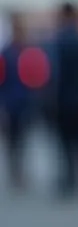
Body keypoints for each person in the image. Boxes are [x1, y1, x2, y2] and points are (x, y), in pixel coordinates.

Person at [50, 1, 78, 195]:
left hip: (63, 100)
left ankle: (70, 179)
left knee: (66, 142)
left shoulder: (59, 41)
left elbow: (54, 74)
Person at [0, 15, 33, 189]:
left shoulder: (25, 51)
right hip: (11, 102)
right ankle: (15, 171)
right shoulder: (7, 53)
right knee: (13, 140)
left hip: (24, 102)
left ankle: (19, 171)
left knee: (21, 139)